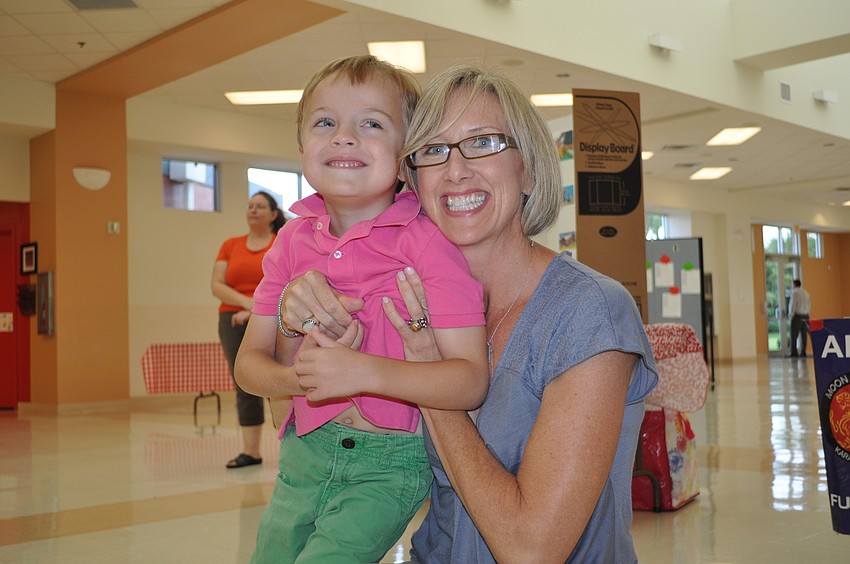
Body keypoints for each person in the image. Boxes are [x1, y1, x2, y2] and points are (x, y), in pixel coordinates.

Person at [279, 64, 659, 562]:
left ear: (528, 170)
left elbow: (531, 550)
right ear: (411, 179)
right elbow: (296, 418)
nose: (456, 170)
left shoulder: (589, 311)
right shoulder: (404, 295)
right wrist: (295, 314)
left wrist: (428, 378)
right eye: (433, 150)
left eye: (484, 142)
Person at [234, 56, 489, 563]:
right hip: (304, 453)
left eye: (371, 123)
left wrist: (361, 371)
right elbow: (248, 366)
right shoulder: (290, 242)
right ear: (302, 149)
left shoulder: (429, 244)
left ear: (405, 157)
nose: (344, 137)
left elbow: (469, 381)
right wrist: (302, 378)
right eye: (324, 122)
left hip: (388, 463)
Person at [212, 191, 285, 469]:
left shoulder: (281, 242)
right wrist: (247, 303)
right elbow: (217, 284)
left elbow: (287, 282)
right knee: (244, 381)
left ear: (273, 214)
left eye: (260, 206)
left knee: (278, 381)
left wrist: (257, 310)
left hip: (274, 317)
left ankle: (289, 448)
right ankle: (251, 451)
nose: (253, 210)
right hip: (232, 318)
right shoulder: (230, 245)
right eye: (250, 206)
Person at [788, 278, 811, 357]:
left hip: (797, 315)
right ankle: (803, 352)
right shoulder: (806, 293)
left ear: (794, 284)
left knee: (794, 334)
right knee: (804, 335)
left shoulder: (795, 292)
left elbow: (792, 304)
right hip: (806, 315)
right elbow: (809, 305)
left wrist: (791, 315)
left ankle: (794, 352)